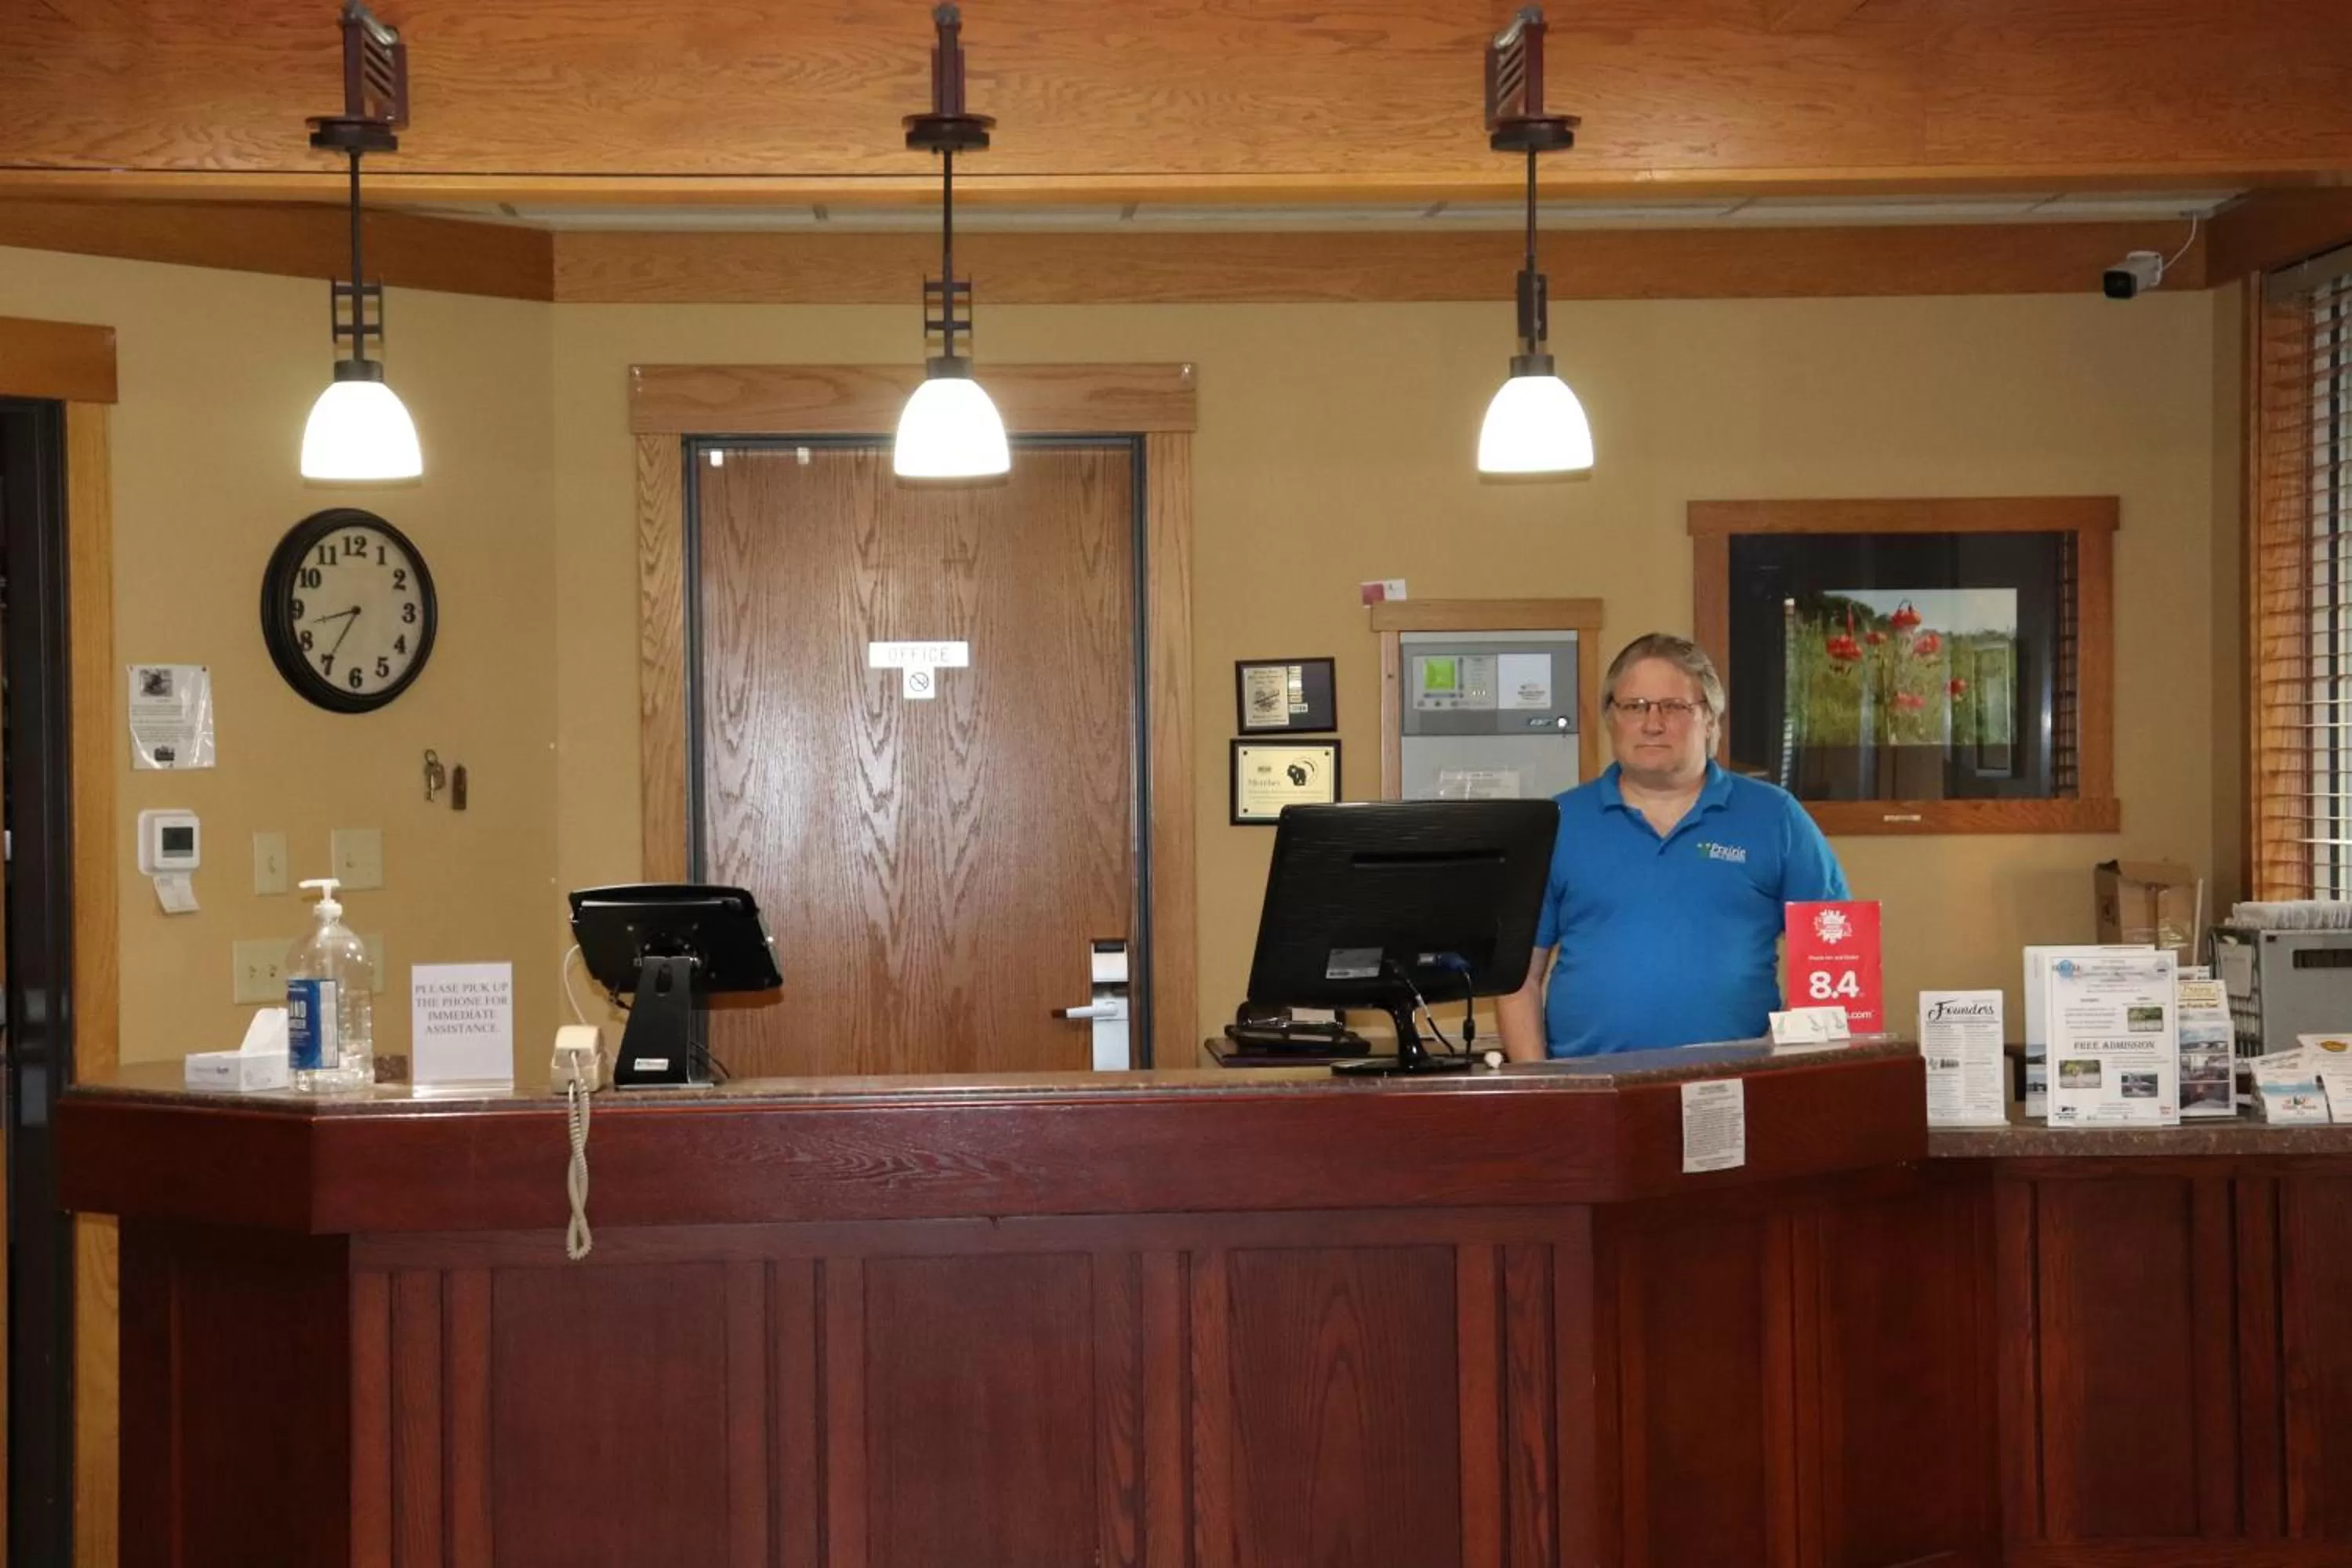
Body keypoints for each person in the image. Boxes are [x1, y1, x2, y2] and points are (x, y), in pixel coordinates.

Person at [1497, 633, 1849, 1058]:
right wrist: (1541, 1093)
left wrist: (1786, 1066)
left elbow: (1835, 958)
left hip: (1737, 1092)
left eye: (1674, 707)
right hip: (1588, 1093)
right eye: (1634, 706)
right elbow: (1518, 978)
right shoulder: (1556, 822)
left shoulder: (1775, 817)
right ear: (1611, 719)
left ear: (1712, 721)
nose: (1652, 723)